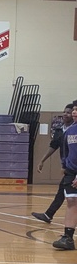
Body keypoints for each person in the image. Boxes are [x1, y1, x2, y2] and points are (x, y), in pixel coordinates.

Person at [33, 103, 73, 223]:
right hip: (68, 167)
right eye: (65, 112)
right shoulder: (60, 130)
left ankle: (49, 214)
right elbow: (53, 146)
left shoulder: (74, 130)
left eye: (69, 112)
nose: (65, 114)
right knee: (62, 191)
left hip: (73, 167)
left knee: (67, 194)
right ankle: (48, 214)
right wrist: (42, 160)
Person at [51, 105, 77, 251]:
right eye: (73, 109)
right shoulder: (70, 130)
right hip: (71, 171)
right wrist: (64, 165)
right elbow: (65, 150)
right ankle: (68, 238)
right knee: (72, 201)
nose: (74, 112)